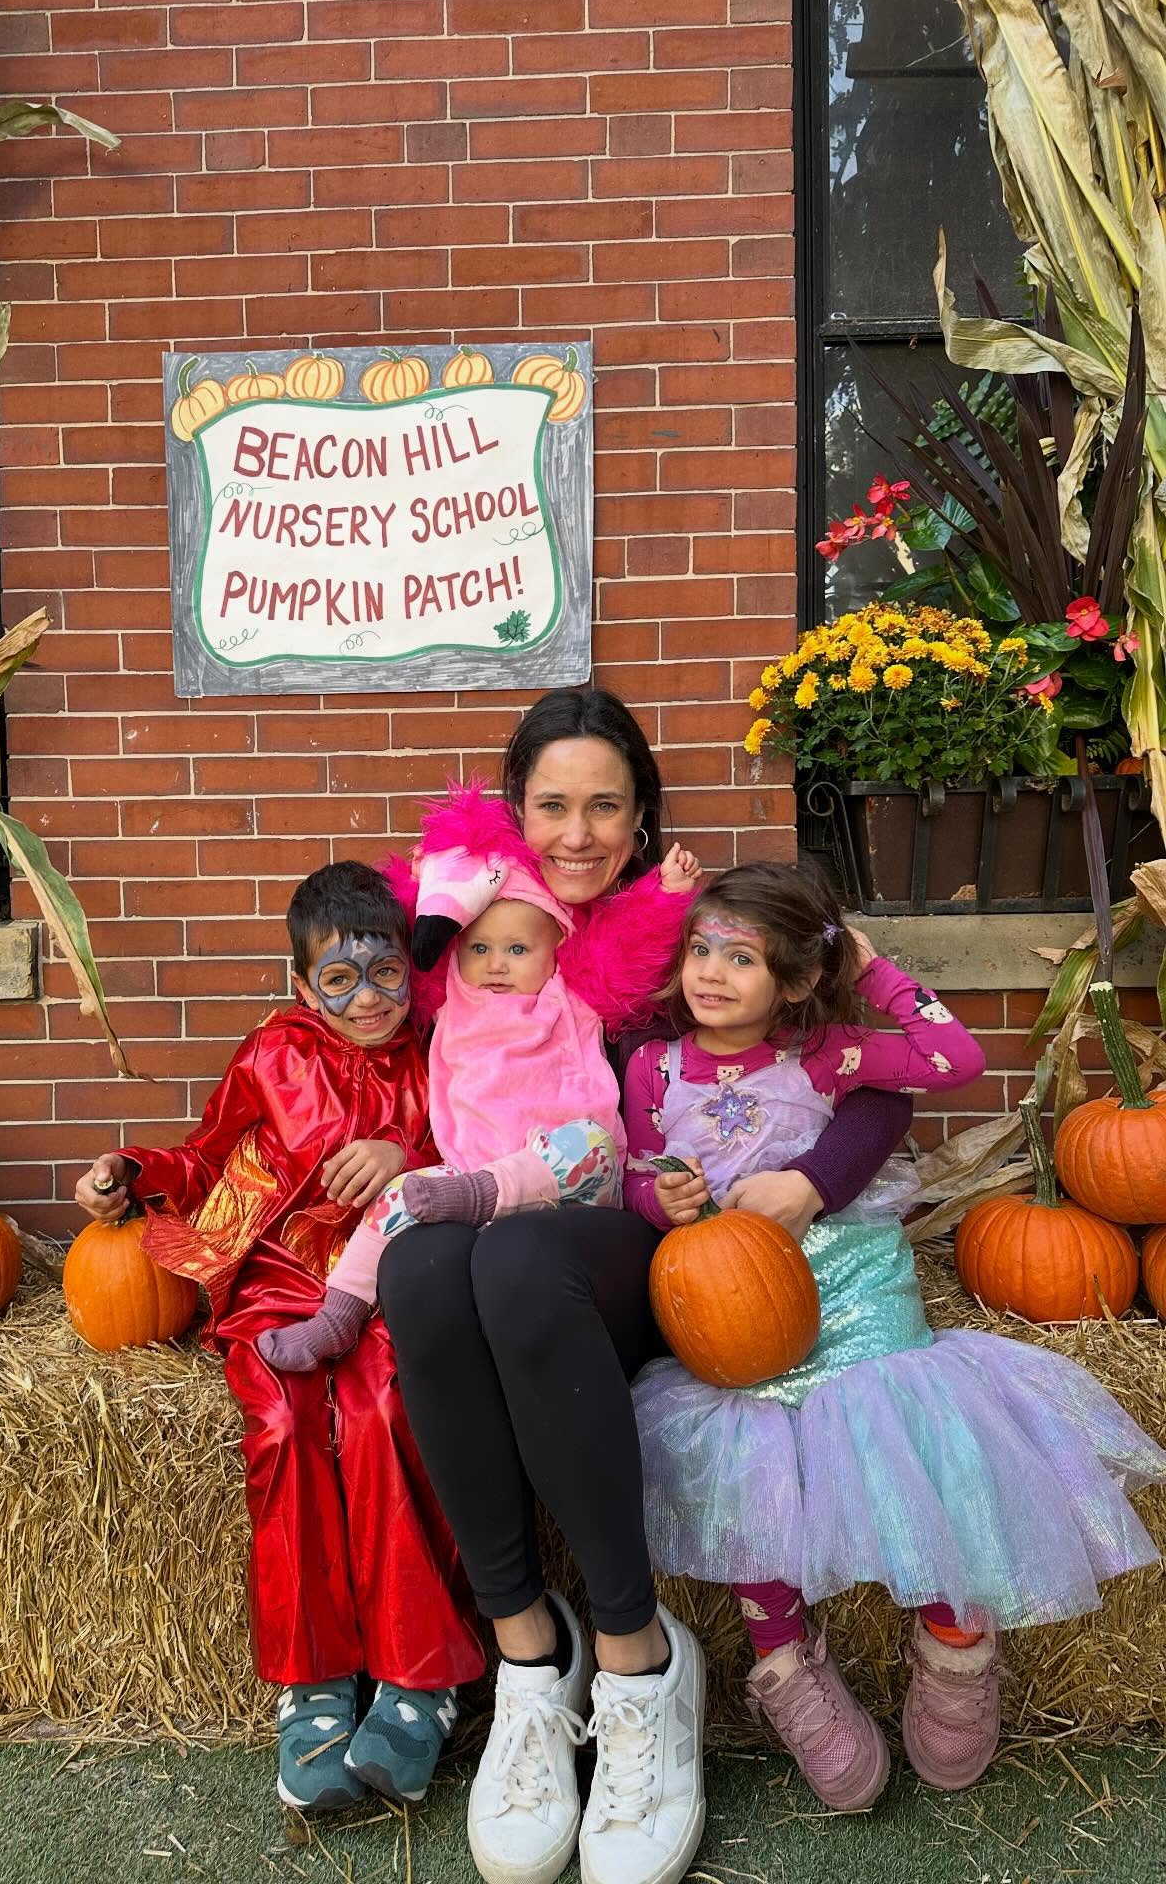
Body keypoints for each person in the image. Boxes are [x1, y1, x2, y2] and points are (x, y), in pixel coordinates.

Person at [376, 689, 915, 1884]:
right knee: (420, 1262)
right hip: (497, 1205)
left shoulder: (691, 934)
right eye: (553, 805)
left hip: (642, 1245)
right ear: (514, 813)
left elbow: (874, 1070)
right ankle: (529, 1657)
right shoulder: (472, 934)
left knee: (516, 1261)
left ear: (639, 818)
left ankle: (637, 1668)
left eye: (605, 807)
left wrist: (812, 1183)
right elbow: (356, 1008)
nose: (577, 834)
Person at [628, 862, 1166, 1813]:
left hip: (853, 1289)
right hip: (731, 1303)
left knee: (908, 1443)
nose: (710, 972)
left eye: (741, 957)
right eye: (700, 948)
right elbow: (637, 1164)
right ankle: (786, 1665)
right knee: (748, 1465)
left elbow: (954, 1061)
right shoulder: (654, 1067)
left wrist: (871, 972)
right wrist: (657, 1195)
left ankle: (956, 1645)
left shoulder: (831, 1051)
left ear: (794, 981)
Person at [73, 862, 484, 1814]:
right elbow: (204, 1153)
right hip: (280, 1281)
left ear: (410, 972)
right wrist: (133, 1167)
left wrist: (408, 1152)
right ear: (303, 987)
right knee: (287, 1422)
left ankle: (420, 1677)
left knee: (385, 1407)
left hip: (392, 1280)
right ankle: (315, 1682)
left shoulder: (446, 1053)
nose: (367, 999)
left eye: (384, 973)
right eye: (339, 981)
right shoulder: (273, 1055)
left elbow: (498, 1146)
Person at [255, 825, 698, 1375]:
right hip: (470, 1172)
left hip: (571, 1181)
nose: (495, 964)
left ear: (557, 946)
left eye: (518, 949)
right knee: (400, 1194)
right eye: (479, 948)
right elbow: (410, 946)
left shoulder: (569, 994)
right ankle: (337, 1314)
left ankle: (478, 1196)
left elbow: (628, 947)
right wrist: (422, 881)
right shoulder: (452, 1002)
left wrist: (667, 895)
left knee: (587, 1141)